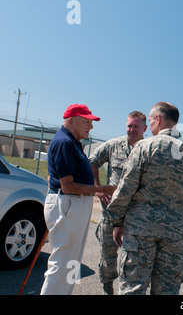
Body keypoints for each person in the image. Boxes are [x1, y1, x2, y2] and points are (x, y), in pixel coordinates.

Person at [107, 101, 183, 295]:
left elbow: (126, 188)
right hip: (176, 233)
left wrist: (117, 221)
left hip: (140, 231)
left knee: (133, 287)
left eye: (150, 120)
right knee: (167, 289)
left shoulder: (145, 147)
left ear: (158, 119)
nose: (150, 124)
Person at [40, 104, 116, 295]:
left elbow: (58, 176)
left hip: (75, 203)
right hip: (68, 203)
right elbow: (67, 185)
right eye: (86, 122)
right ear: (70, 120)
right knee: (62, 263)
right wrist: (101, 189)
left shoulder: (73, 143)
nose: (90, 127)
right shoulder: (64, 142)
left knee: (71, 263)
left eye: (91, 123)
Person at [89, 111, 147, 295]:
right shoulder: (114, 146)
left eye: (136, 126)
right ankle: (107, 288)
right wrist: (98, 189)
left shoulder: (148, 149)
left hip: (136, 215)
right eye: (129, 125)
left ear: (145, 128)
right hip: (111, 213)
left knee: (134, 261)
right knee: (108, 256)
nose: (132, 129)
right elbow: (91, 162)